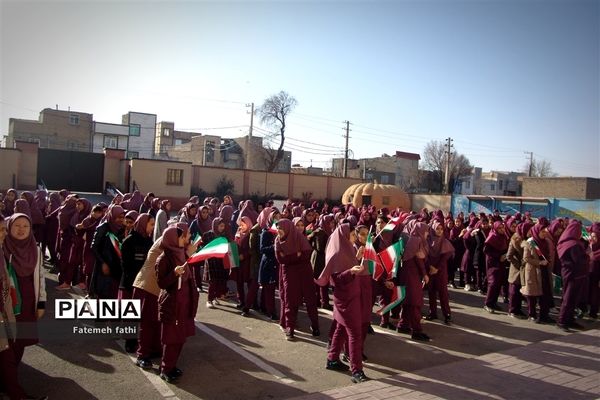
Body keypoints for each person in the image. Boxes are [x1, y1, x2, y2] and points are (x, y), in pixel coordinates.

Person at [1, 214, 47, 400]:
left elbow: (41, 277)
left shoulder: (35, 249)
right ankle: (11, 386)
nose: (21, 229)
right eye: (16, 226)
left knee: (20, 342)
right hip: (8, 303)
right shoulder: (3, 247)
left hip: (28, 300)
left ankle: (8, 381)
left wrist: (41, 302)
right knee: (7, 347)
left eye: (25, 226)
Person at [316, 223, 368, 384]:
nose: (354, 239)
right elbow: (336, 279)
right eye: (353, 235)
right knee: (355, 333)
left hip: (351, 295)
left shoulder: (347, 249)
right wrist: (350, 271)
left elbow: (351, 265)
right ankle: (357, 370)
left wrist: (358, 258)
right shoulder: (337, 253)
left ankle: (332, 359)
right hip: (345, 299)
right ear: (345, 236)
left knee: (341, 328)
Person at [156, 226, 199, 383]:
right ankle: (165, 368)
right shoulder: (164, 258)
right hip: (172, 302)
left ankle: (172, 366)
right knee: (171, 338)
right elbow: (161, 283)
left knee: (180, 336)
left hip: (185, 301)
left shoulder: (181, 253)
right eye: (181, 238)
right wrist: (174, 273)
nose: (184, 240)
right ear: (173, 239)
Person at [275, 218, 320, 340]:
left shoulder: (300, 238)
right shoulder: (278, 241)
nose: (279, 230)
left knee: (310, 299)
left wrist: (290, 257)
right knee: (290, 300)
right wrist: (296, 255)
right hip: (289, 273)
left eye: (281, 228)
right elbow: (281, 259)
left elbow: (305, 255)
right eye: (278, 228)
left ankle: (315, 326)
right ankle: (290, 328)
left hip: (304, 272)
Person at [120, 214, 155, 353]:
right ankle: (130, 341)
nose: (152, 228)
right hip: (130, 283)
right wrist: (138, 279)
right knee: (131, 314)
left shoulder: (149, 242)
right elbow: (126, 266)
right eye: (151, 224)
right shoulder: (129, 241)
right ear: (143, 224)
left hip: (143, 284)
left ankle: (138, 340)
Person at [396, 220, 430, 341]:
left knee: (408, 302)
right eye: (426, 231)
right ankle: (417, 331)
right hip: (412, 276)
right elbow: (419, 260)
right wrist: (425, 274)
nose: (427, 234)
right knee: (415, 303)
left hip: (407, 274)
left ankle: (403, 325)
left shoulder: (410, 239)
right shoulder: (416, 241)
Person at [557, 220, 589, 331]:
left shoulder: (567, 241)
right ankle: (562, 321)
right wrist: (587, 255)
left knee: (572, 298)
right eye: (580, 230)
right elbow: (579, 261)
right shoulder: (573, 244)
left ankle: (569, 320)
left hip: (571, 274)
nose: (581, 233)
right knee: (569, 298)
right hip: (573, 275)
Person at [90, 205, 125, 299]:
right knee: (103, 293)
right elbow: (94, 247)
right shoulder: (103, 228)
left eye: (123, 217)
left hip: (116, 267)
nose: (121, 220)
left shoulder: (122, 229)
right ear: (112, 215)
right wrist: (103, 263)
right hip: (104, 266)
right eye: (119, 217)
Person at [521, 224, 554, 323]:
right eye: (542, 231)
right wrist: (539, 262)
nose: (545, 233)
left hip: (544, 270)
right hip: (533, 271)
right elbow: (526, 258)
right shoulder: (530, 243)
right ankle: (532, 315)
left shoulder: (547, 242)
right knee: (532, 294)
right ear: (536, 231)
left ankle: (544, 315)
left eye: (545, 231)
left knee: (546, 293)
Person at [427, 220, 454, 323]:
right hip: (430, 270)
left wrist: (436, 268)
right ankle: (432, 313)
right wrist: (430, 267)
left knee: (443, 293)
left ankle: (447, 314)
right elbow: (425, 256)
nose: (439, 231)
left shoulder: (445, 242)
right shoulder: (428, 241)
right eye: (437, 228)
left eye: (441, 229)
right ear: (433, 229)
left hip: (441, 271)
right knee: (431, 292)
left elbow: (444, 258)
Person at [506, 222, 533, 318]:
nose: (531, 232)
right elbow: (509, 256)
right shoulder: (515, 239)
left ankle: (518, 309)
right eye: (530, 230)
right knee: (514, 290)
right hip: (516, 269)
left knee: (519, 291)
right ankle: (512, 310)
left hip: (524, 268)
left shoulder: (527, 240)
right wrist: (519, 265)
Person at [309, 214, 335, 310]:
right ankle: (322, 301)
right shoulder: (320, 232)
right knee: (321, 281)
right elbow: (320, 248)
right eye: (330, 222)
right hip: (319, 259)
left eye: (333, 222)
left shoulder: (327, 231)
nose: (332, 224)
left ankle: (321, 301)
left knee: (323, 281)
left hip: (323, 258)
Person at [483, 221, 509, 313]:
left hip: (501, 263)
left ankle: (494, 303)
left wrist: (505, 255)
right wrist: (498, 256)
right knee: (493, 283)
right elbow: (486, 250)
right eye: (500, 228)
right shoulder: (492, 236)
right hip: (492, 263)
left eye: (503, 228)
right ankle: (488, 304)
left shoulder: (503, 236)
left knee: (498, 282)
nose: (502, 230)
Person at [258, 210, 280, 321]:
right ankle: (271, 312)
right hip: (268, 263)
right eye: (275, 217)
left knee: (269, 288)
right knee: (269, 288)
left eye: (278, 217)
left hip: (276, 264)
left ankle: (264, 307)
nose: (277, 220)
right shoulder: (266, 232)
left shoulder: (280, 231)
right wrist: (275, 246)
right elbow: (262, 249)